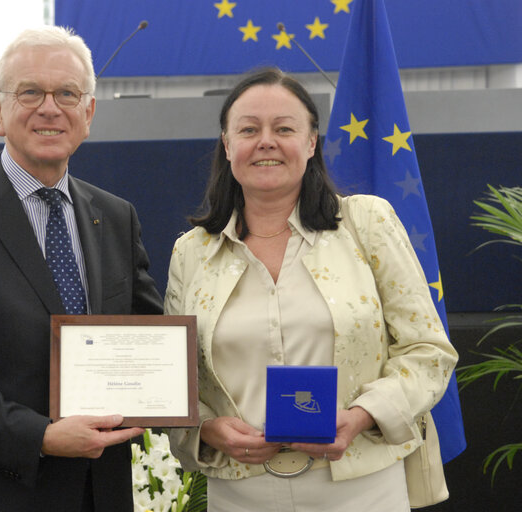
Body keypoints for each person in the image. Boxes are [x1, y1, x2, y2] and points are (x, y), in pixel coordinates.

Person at [165, 68, 459, 511]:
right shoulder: (191, 253)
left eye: (284, 128)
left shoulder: (368, 223)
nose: (266, 141)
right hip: (239, 492)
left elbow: (428, 351)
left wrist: (361, 418)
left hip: (361, 486)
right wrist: (207, 429)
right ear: (227, 146)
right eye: (248, 129)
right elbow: (175, 382)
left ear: (311, 143)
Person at [0, 26, 163, 512]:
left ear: (89, 113)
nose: (50, 107)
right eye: (30, 92)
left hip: (100, 494)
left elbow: (152, 340)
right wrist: (41, 435)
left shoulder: (116, 217)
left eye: (67, 93)